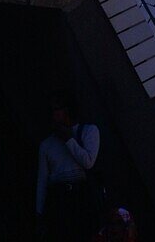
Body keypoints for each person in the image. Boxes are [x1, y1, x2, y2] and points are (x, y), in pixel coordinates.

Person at [36, 91, 101, 242]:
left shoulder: (89, 131)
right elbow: (42, 181)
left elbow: (88, 162)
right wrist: (39, 214)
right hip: (58, 200)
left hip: (81, 197)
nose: (53, 115)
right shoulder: (46, 145)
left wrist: (68, 139)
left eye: (56, 110)